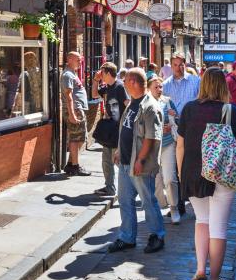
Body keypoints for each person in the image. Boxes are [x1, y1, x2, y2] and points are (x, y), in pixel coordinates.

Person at [176, 68, 236, 280]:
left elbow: (180, 146)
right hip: (221, 174)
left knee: (202, 220)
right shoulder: (230, 111)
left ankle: (199, 269)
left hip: (193, 172)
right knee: (218, 227)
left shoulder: (188, 109)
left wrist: (181, 174)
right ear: (223, 87)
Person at [109, 68, 166, 254]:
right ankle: (127, 237)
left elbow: (152, 137)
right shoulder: (132, 103)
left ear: (133, 82)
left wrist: (141, 159)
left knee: (148, 200)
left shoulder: (150, 106)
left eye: (125, 82)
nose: (123, 85)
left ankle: (157, 235)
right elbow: (125, 129)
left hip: (140, 164)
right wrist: (119, 150)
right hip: (126, 162)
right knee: (125, 201)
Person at [92, 62, 127, 197]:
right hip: (109, 130)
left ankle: (134, 186)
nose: (100, 75)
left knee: (117, 160)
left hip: (118, 130)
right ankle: (109, 188)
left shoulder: (119, 87)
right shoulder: (107, 87)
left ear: (107, 73)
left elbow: (127, 105)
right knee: (106, 161)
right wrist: (95, 80)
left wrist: (124, 126)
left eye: (101, 73)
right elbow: (95, 94)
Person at [149, 76, 181, 224]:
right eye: (156, 87)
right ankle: (161, 205)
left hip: (168, 144)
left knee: (170, 178)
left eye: (160, 86)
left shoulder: (168, 101)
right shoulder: (145, 103)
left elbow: (179, 121)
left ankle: (174, 207)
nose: (159, 89)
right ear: (149, 88)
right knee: (156, 181)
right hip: (151, 147)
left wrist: (174, 119)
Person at [61, 52, 91, 177]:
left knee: (79, 137)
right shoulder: (67, 74)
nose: (80, 62)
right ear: (69, 59)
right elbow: (68, 95)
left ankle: (70, 164)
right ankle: (75, 166)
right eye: (78, 59)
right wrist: (72, 114)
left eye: (80, 59)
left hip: (78, 109)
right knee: (76, 138)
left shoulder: (72, 73)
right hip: (74, 110)